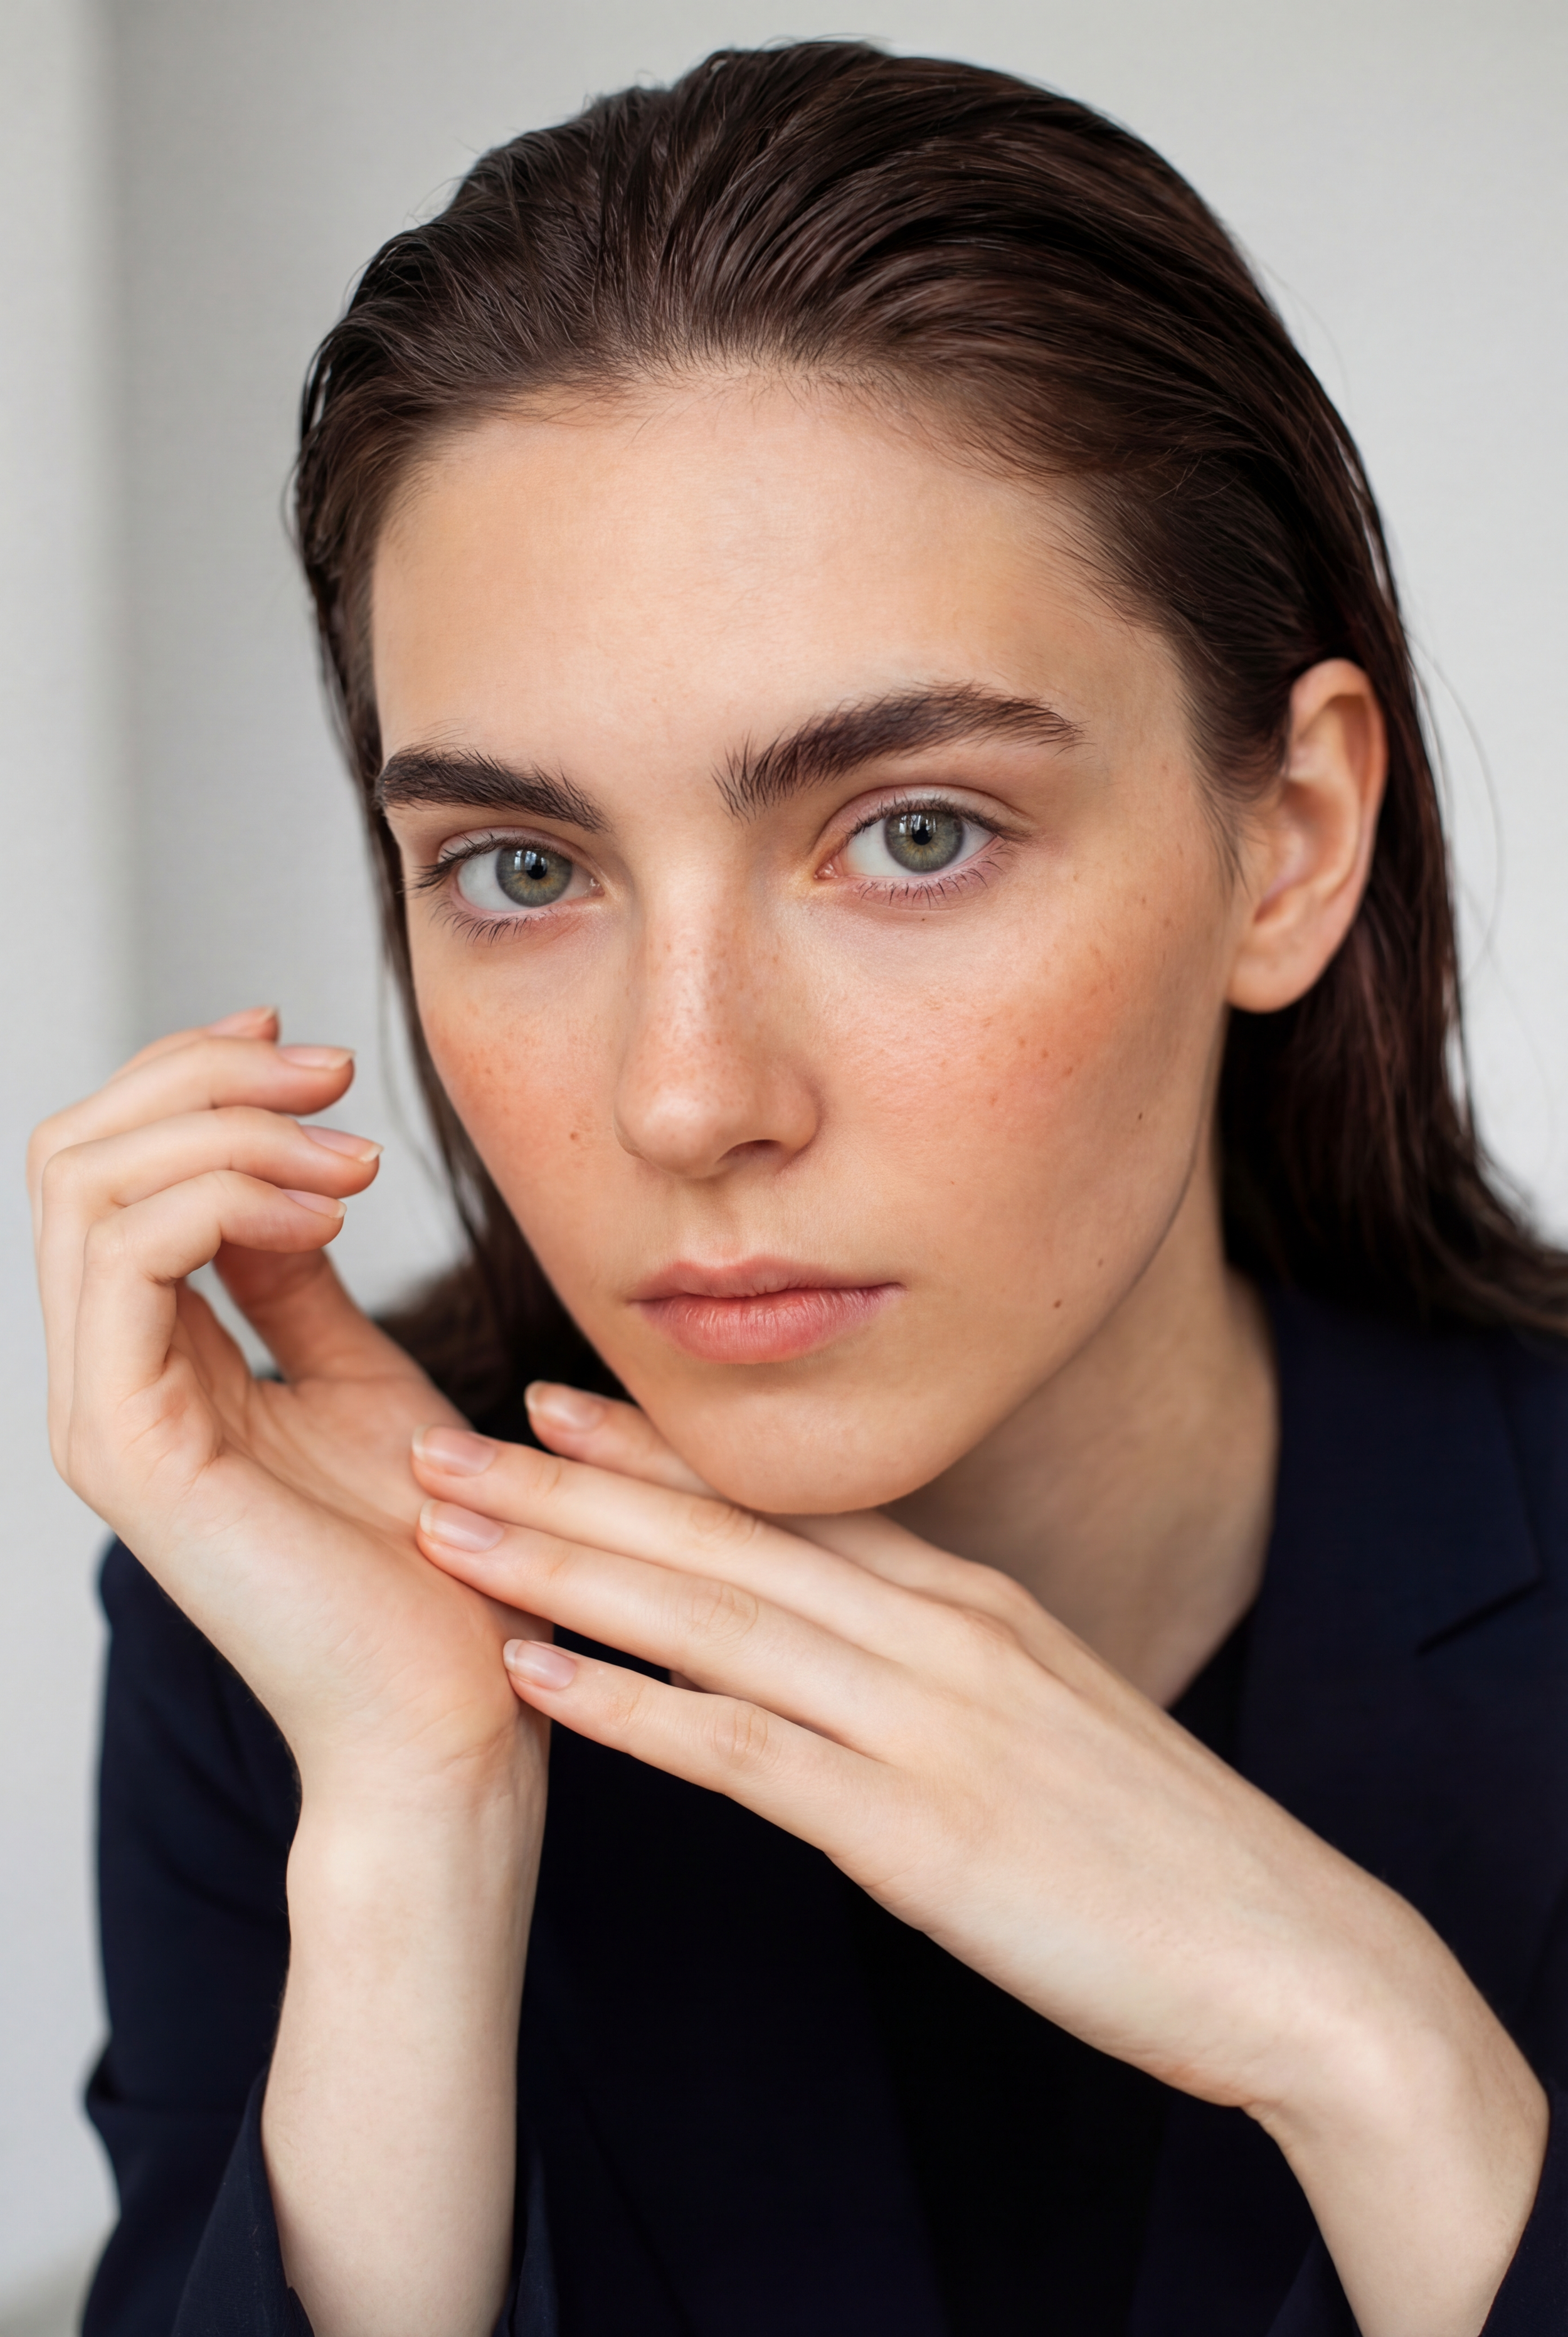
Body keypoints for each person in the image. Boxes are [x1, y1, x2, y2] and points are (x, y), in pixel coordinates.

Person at [28, 40, 1568, 2337]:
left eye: (912, 832)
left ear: (1292, 839)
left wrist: (1387, 2062)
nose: (684, 1097)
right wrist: (415, 1846)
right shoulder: (306, 1648)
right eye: (525, 867)